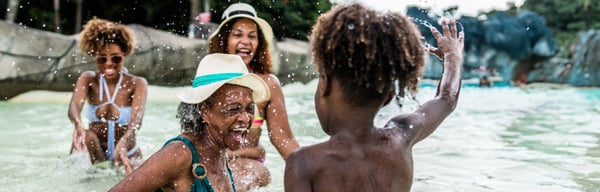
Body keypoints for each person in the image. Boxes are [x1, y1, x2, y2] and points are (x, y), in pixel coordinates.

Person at [284, 3, 464, 192]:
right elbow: (446, 99)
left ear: (325, 84)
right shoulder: (401, 137)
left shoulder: (304, 163)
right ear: (388, 96)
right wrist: (453, 56)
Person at [109, 53, 270, 192]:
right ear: (205, 111)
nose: (245, 118)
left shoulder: (219, 153)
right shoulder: (179, 154)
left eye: (249, 108)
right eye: (233, 109)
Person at [208, 2, 299, 190]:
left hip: (250, 164)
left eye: (252, 36)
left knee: (237, 182)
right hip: (211, 163)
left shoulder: (269, 84)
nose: (246, 41)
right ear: (224, 40)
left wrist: (310, 168)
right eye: (237, 34)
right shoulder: (208, 81)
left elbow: (284, 139)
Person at [68, 17, 147, 174]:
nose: (109, 63)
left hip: (127, 151)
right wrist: (78, 126)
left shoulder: (137, 83)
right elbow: (74, 107)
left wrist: (124, 142)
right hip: (93, 152)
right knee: (89, 136)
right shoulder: (89, 79)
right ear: (94, 57)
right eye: (102, 58)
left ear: (124, 53)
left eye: (116, 58)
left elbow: (136, 120)